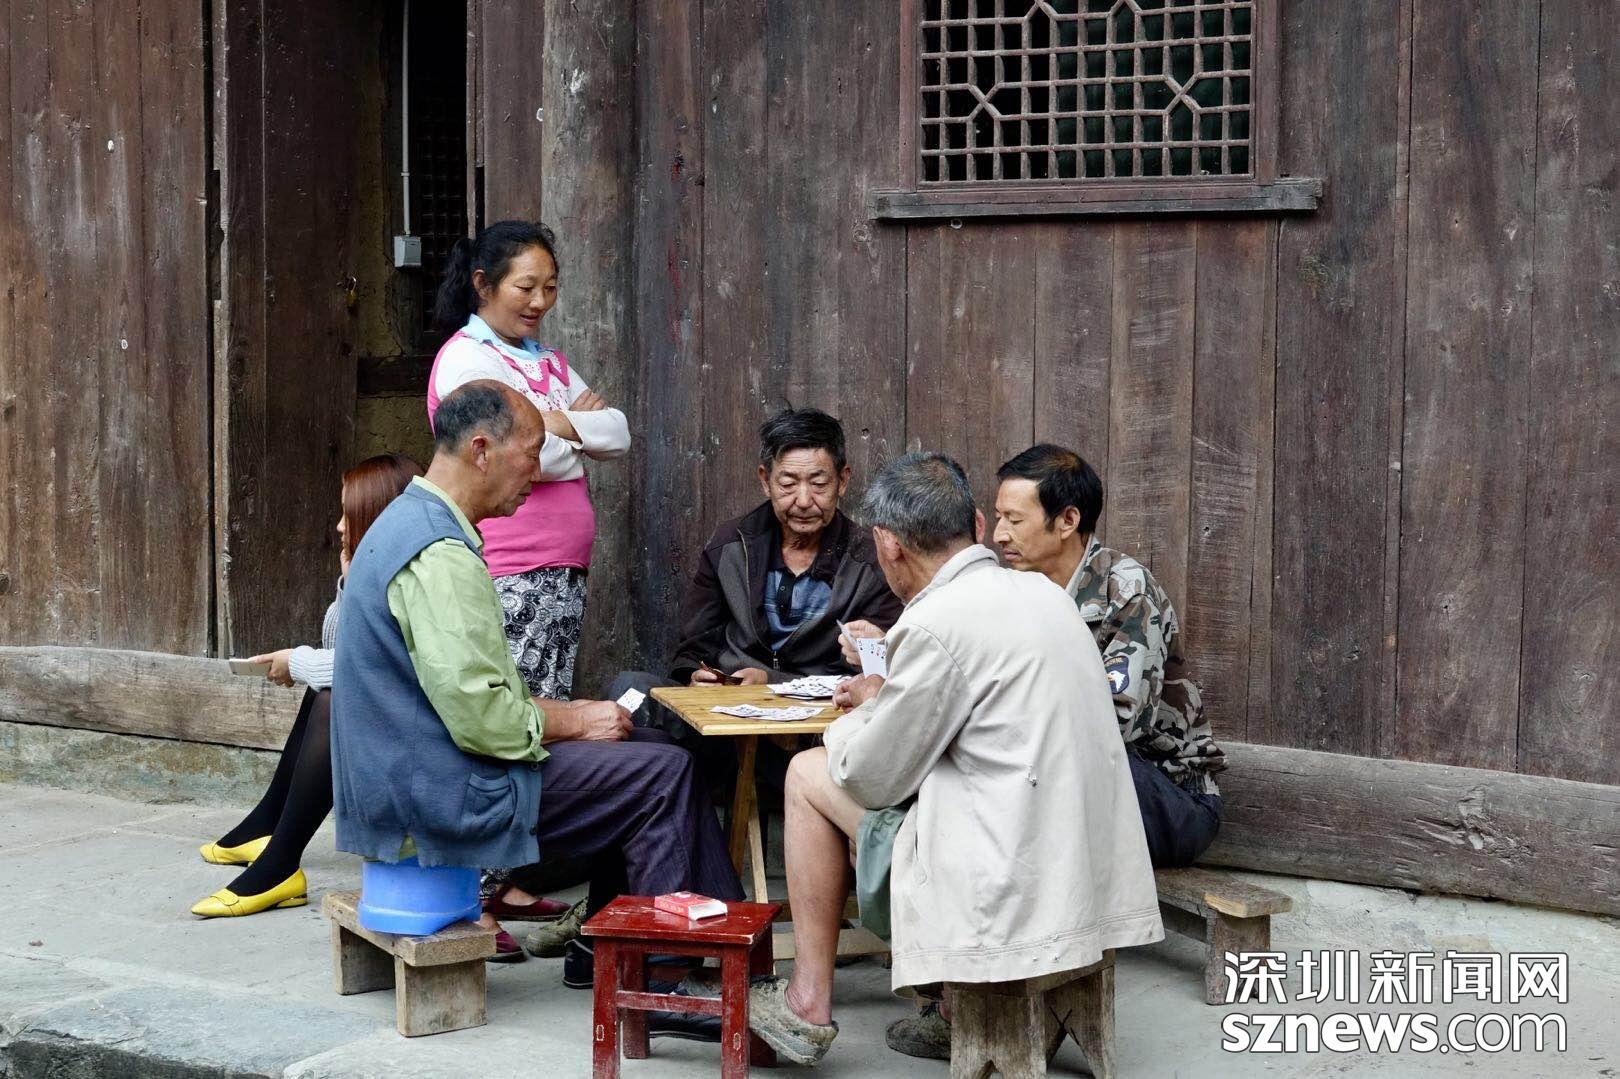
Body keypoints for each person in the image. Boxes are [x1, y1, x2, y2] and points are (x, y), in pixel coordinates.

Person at [330, 382, 742, 1023]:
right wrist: (574, 718)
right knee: (662, 774)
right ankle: (671, 979)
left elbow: (471, 695)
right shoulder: (438, 552)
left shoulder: (409, 520)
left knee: (646, 748)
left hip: (408, 778)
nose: (539, 471)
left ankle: (614, 949)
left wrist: (577, 721)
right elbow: (485, 720)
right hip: (432, 796)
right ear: (481, 450)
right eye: (532, 453)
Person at [746, 452, 1161, 1066]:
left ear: (888, 544)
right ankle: (946, 1006)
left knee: (808, 774)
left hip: (1009, 880)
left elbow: (873, 777)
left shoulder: (936, 622)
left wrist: (860, 715)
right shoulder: (1044, 594)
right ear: (974, 523)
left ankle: (807, 1002)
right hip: (1080, 862)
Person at [429, 219, 632, 941]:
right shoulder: (465, 360)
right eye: (526, 286)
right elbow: (523, 458)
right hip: (511, 567)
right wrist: (571, 430)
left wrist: (557, 426)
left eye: (550, 286)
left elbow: (618, 432)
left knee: (537, 725)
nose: (540, 300)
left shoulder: (541, 359)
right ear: (483, 284)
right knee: (505, 723)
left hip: (559, 572)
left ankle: (506, 877)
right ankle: (475, 894)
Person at [192, 454, 423, 918]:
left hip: (423, 749)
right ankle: (269, 829)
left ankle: (279, 862)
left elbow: (368, 666)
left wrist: (296, 662)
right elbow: (345, 645)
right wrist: (353, 582)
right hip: (399, 730)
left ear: (377, 515)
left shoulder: (418, 577)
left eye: (348, 514)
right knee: (327, 692)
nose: (338, 526)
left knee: (334, 696)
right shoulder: (385, 570)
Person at [610, 407, 902, 753]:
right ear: (765, 480)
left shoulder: (870, 561)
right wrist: (695, 676)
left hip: (815, 725)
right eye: (788, 484)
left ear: (843, 481)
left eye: (819, 484)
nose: (804, 501)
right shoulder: (730, 546)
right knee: (630, 690)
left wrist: (771, 682)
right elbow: (694, 647)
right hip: (728, 713)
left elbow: (873, 676)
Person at [992, 444, 1226, 865]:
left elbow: (1114, 726)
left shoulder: (1127, 592)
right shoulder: (1017, 589)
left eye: (1014, 519)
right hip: (1075, 778)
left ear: (1068, 521)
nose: (999, 535)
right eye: (998, 517)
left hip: (1168, 795)